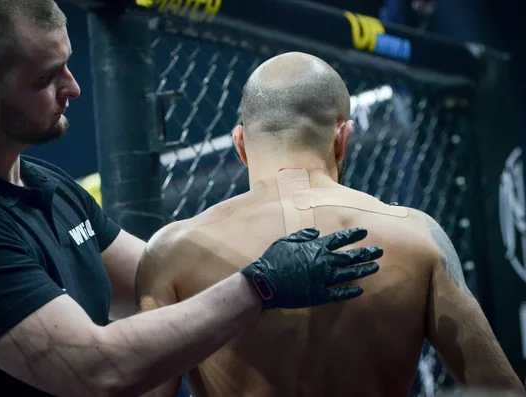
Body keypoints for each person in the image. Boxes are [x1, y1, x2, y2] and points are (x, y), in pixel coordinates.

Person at [0, 1, 384, 396]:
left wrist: (302, 253)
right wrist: (261, 283)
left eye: (67, 65)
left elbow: (174, 277)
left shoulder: (49, 186)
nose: (73, 87)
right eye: (46, 77)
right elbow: (94, 369)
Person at [135, 52, 525, 397]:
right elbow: (500, 391)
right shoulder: (418, 237)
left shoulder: (173, 250)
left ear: (240, 144)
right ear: (343, 137)